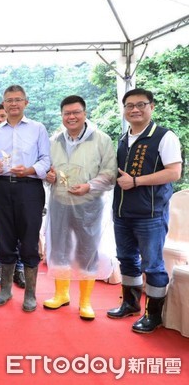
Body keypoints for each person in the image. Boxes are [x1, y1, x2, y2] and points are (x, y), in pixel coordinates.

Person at [107, 88, 182, 333]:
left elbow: (174, 172)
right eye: (130, 105)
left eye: (141, 104)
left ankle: (153, 315)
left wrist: (137, 181)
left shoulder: (163, 136)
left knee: (153, 265)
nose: (135, 110)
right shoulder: (122, 138)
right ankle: (130, 303)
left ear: (152, 107)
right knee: (126, 259)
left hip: (150, 214)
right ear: (124, 109)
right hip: (121, 212)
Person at [43, 95, 117, 320]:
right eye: (67, 113)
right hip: (60, 203)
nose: (71, 117)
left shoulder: (101, 139)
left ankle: (85, 302)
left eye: (76, 112)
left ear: (85, 113)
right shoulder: (54, 140)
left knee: (87, 250)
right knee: (60, 249)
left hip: (89, 205)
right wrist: (49, 176)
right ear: (62, 116)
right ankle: (61, 294)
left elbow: (110, 172)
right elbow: (47, 170)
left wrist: (90, 186)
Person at [0, 85, 50, 312]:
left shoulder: (38, 128)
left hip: (30, 188)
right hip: (2, 188)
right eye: (9, 100)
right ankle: (5, 289)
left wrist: (31, 169)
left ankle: (31, 293)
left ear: (26, 102)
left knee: (29, 238)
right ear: (3, 104)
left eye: (18, 100)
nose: (13, 104)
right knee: (4, 238)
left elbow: (46, 159)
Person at [0, 104, 25, 288]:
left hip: (22, 186)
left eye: (3, 116)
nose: (0, 119)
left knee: (20, 229)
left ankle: (19, 268)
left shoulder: (25, 134)